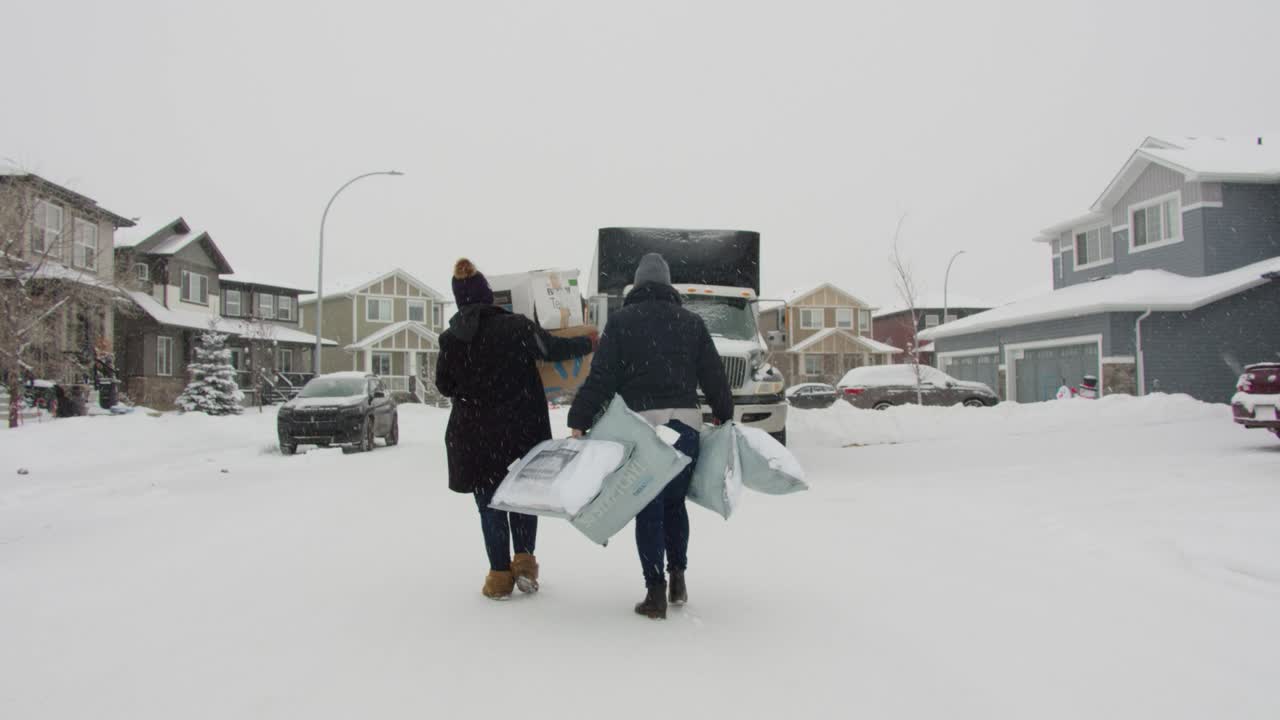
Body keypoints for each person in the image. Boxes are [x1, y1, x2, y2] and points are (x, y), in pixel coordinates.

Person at [567, 253, 734, 619]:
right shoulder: (691, 323)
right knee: (675, 504)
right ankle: (678, 578)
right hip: (685, 426)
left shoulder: (622, 322)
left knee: (647, 506)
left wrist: (580, 417)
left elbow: (602, 378)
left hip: (642, 429)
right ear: (668, 284)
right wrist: (723, 411)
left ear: (637, 286)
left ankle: (654, 591)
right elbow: (713, 375)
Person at [436, 258, 597, 600]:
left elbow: (444, 386)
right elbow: (553, 351)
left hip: (475, 435)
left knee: (490, 503)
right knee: (522, 495)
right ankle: (524, 563)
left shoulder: (451, 339)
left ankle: (498, 576)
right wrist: (587, 343)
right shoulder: (517, 327)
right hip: (521, 429)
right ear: (488, 296)